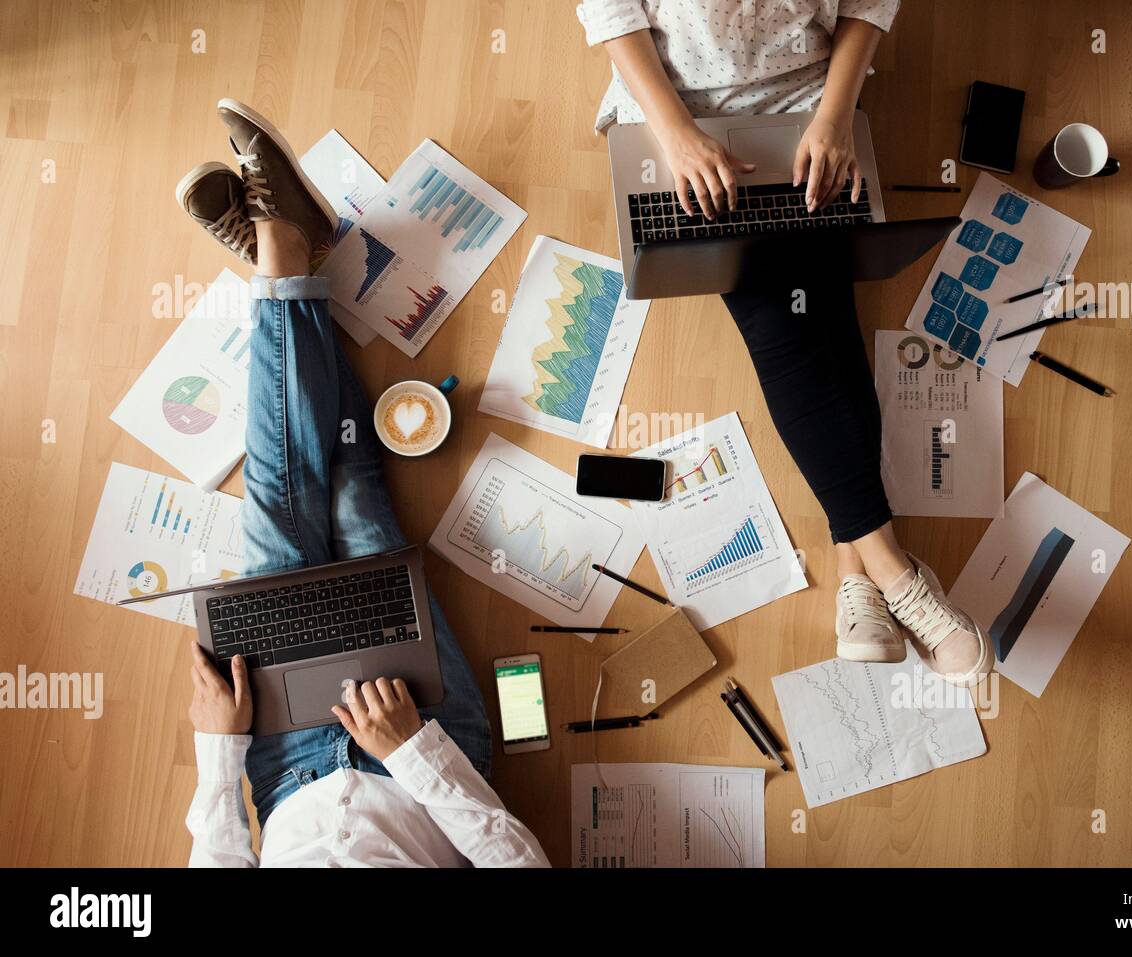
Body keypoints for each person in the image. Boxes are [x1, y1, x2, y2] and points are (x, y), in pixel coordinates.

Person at [175, 99, 549, 867]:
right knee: (352, 497)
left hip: (281, 762)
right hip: (418, 754)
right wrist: (413, 751)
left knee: (283, 496)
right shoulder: (417, 751)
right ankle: (284, 257)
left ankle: (286, 256)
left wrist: (218, 753)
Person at [577, 1, 992, 687]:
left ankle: (857, 562)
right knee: (791, 329)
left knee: (820, 321)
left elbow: (866, 5)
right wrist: (676, 132)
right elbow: (609, 11)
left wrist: (834, 117)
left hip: (805, 108)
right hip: (674, 114)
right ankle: (892, 573)